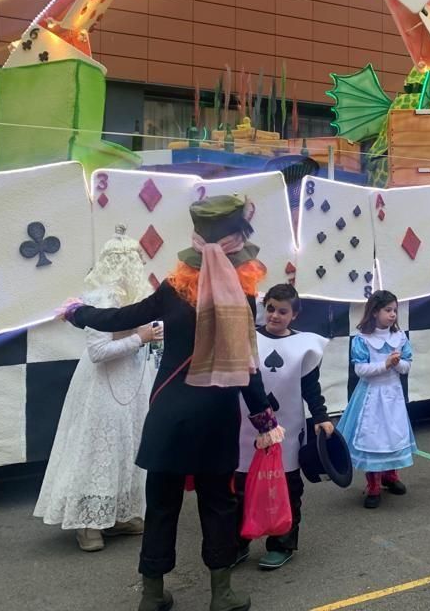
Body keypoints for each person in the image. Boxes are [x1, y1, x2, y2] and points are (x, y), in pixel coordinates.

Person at [59, 195, 282, 611]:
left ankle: (152, 595)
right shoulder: (241, 296)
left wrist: (77, 313)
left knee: (162, 505)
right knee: (218, 504)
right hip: (215, 416)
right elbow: (247, 367)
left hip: (166, 414)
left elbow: (120, 318)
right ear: (240, 250)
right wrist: (264, 417)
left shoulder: (170, 290)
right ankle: (223, 595)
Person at [34, 225, 160, 552]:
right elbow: (98, 352)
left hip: (133, 384)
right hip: (102, 388)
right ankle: (88, 522)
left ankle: (118, 515)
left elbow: (150, 341)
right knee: (99, 449)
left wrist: (152, 343)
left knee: (127, 446)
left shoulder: (141, 299)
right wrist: (140, 338)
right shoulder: (98, 300)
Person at [234, 284, 332, 571]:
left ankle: (282, 543)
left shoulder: (305, 346)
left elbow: (311, 388)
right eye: (271, 309)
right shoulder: (246, 339)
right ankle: (237, 543)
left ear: (295, 315)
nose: (275, 315)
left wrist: (321, 416)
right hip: (245, 430)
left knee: (287, 489)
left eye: (282, 311)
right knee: (239, 489)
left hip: (286, 429)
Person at [336, 290, 417, 509]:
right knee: (373, 438)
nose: (393, 315)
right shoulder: (363, 339)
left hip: (393, 396)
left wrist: (398, 363)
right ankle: (373, 483)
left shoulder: (399, 338)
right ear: (374, 312)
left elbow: (407, 365)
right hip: (372, 395)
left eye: (395, 311)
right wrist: (385, 364)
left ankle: (390, 475)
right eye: (388, 310)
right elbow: (360, 369)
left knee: (393, 434)